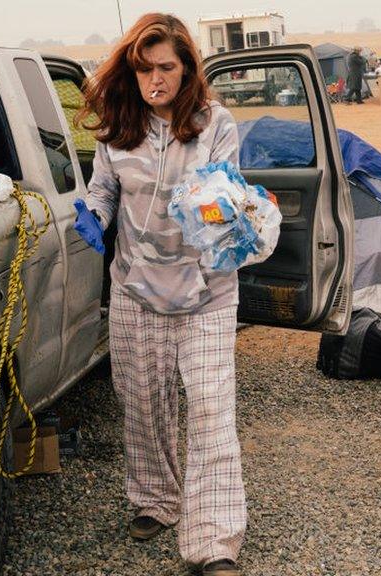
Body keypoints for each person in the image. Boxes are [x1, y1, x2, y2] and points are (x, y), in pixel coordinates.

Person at [77, 13, 245, 576]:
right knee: (143, 404)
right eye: (145, 68)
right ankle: (157, 500)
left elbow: (227, 191)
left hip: (206, 291)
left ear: (187, 67)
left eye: (166, 67)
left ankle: (215, 542)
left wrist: (221, 211)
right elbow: (104, 188)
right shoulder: (117, 123)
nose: (155, 79)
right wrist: (96, 216)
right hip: (134, 289)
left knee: (212, 411)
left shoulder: (215, 122)